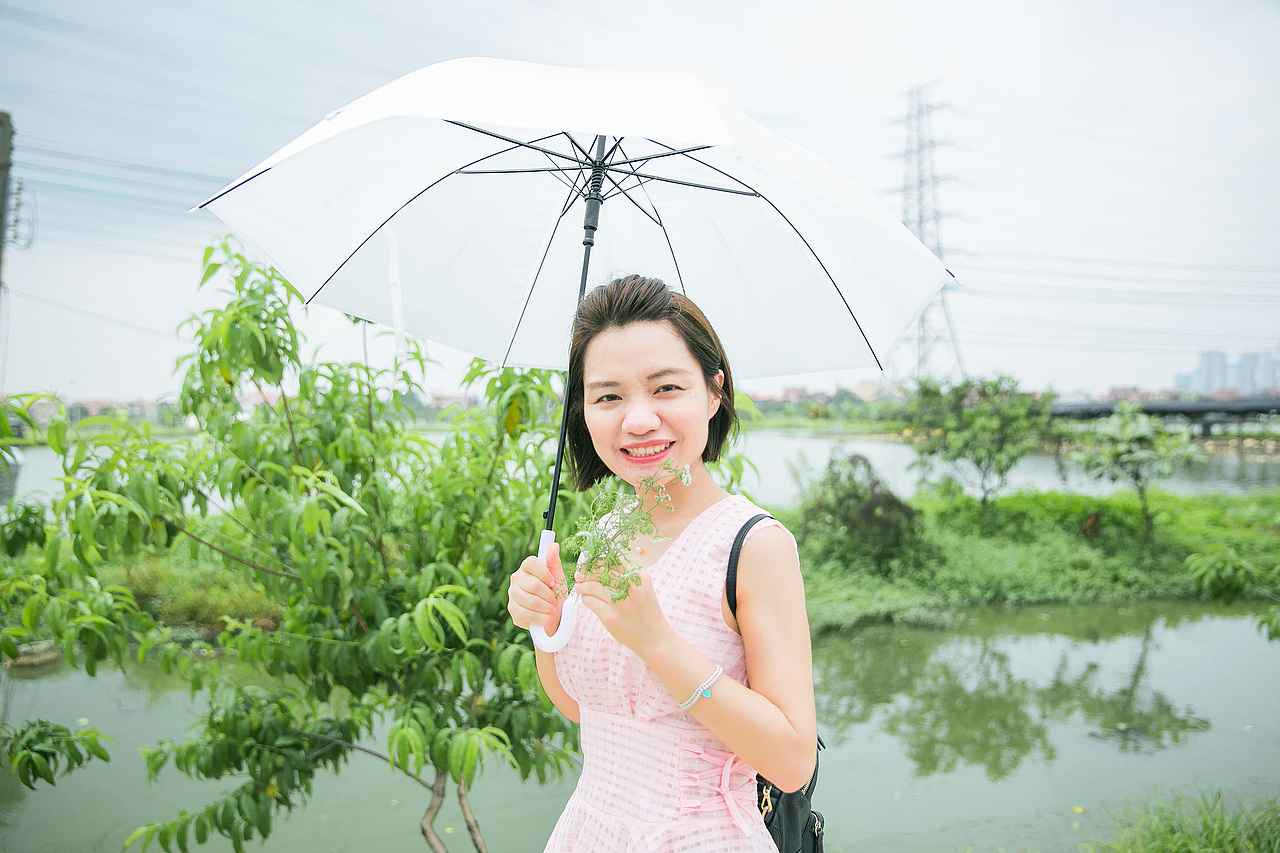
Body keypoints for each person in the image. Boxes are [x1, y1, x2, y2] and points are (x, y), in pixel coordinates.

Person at [507, 274, 817, 852]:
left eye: (666, 388)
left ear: (714, 391)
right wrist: (545, 627)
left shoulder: (754, 545)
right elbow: (584, 708)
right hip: (591, 832)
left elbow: (792, 760)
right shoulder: (605, 534)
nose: (638, 420)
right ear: (583, 410)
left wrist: (658, 643)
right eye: (608, 396)